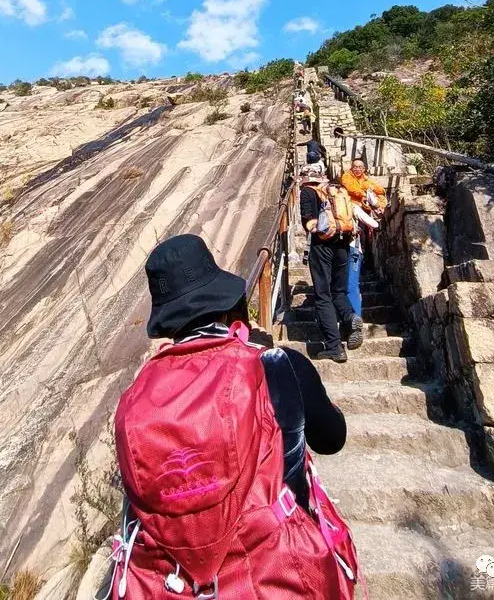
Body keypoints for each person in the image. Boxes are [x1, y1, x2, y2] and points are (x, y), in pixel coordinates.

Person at [108, 234, 359, 598]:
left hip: (174, 586)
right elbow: (333, 438)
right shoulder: (275, 367)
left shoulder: (134, 402)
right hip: (281, 578)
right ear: (225, 303)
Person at [299, 165, 360, 363]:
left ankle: (335, 347)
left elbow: (310, 222)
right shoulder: (336, 189)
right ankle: (350, 317)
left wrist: (313, 228)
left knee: (323, 295)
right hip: (343, 244)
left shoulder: (308, 192)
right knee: (339, 291)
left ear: (305, 178)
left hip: (322, 247)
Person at [341, 159, 386, 340]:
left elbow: (380, 190)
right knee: (352, 284)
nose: (358, 169)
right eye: (355, 167)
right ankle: (354, 320)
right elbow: (375, 223)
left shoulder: (334, 202)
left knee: (340, 284)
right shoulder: (353, 201)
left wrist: (370, 193)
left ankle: (345, 319)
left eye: (360, 167)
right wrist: (367, 197)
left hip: (335, 249)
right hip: (353, 245)